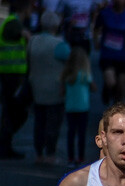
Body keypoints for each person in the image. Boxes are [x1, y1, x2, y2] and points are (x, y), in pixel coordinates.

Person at [27, 10, 70, 164]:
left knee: (39, 123)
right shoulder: (59, 45)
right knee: (53, 123)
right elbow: (71, 62)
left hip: (36, 87)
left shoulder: (32, 41)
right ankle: (50, 154)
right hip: (55, 89)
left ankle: (38, 154)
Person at [94, 0, 125, 104]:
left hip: (123, 56)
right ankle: (107, 88)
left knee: (121, 88)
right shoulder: (105, 14)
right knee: (111, 82)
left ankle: (115, 107)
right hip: (107, 54)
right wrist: (96, 41)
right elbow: (96, 28)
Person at [0, 0, 31, 159]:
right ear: (24, 9)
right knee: (14, 111)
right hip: (12, 75)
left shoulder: (9, 21)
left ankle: (5, 144)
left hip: (10, 74)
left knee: (11, 110)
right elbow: (27, 37)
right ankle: (4, 144)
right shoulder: (13, 23)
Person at [62, 46, 95, 168]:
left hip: (70, 107)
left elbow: (62, 92)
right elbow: (94, 87)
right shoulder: (85, 75)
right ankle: (81, 158)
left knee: (71, 133)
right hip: (83, 107)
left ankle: (71, 158)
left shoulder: (67, 75)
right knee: (81, 133)